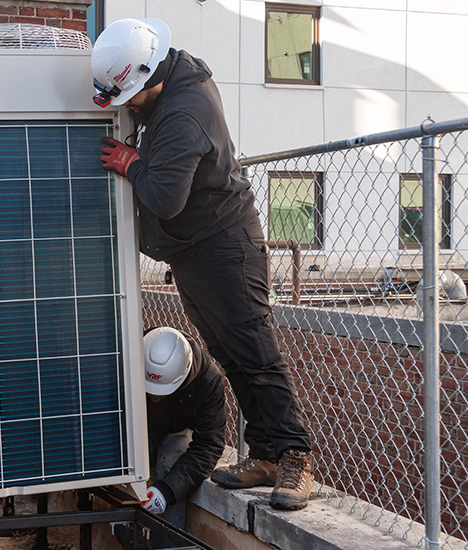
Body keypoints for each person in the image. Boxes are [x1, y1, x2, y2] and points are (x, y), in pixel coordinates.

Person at [91, 18, 314, 510]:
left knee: (256, 352)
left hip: (223, 246)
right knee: (230, 354)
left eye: (128, 95)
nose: (126, 104)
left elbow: (164, 197)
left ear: (149, 80)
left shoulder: (183, 113)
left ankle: (295, 456)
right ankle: (267, 453)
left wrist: (131, 163)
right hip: (194, 249)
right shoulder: (165, 89)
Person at [140, 327, 225, 548]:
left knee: (171, 465)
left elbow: (209, 445)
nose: (154, 396)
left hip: (177, 432)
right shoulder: (131, 352)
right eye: (149, 389)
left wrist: (166, 491)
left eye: (162, 391)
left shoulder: (208, 381)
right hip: (136, 428)